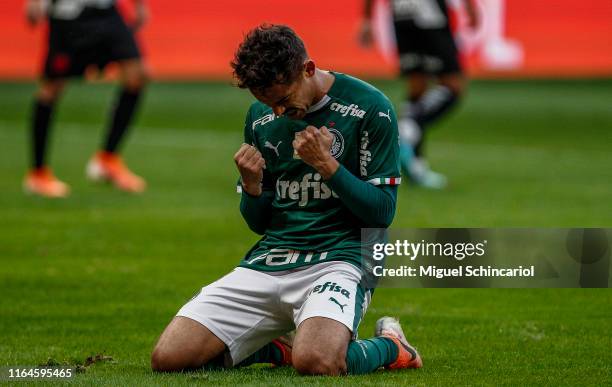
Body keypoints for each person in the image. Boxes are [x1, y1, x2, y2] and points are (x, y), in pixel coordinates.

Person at [151, 24, 422, 376]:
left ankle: (392, 347)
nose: (277, 113)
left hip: (342, 257)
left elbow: (382, 212)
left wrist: (328, 166)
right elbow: (259, 223)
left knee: (318, 362)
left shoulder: (371, 107)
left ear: (308, 69)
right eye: (267, 104)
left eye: (282, 100)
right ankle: (280, 349)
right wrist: (251, 187)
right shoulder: (260, 118)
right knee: (169, 359)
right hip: (273, 257)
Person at [24, 0, 149, 198]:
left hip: (106, 12)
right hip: (68, 16)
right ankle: (38, 174)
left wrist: (140, 4)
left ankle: (107, 160)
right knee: (51, 89)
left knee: (137, 75)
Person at [360, 0, 478, 189]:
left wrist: (366, 19)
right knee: (453, 86)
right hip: (429, 14)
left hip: (402, 15)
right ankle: (406, 131)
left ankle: (417, 165)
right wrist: (470, 7)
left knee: (417, 87)